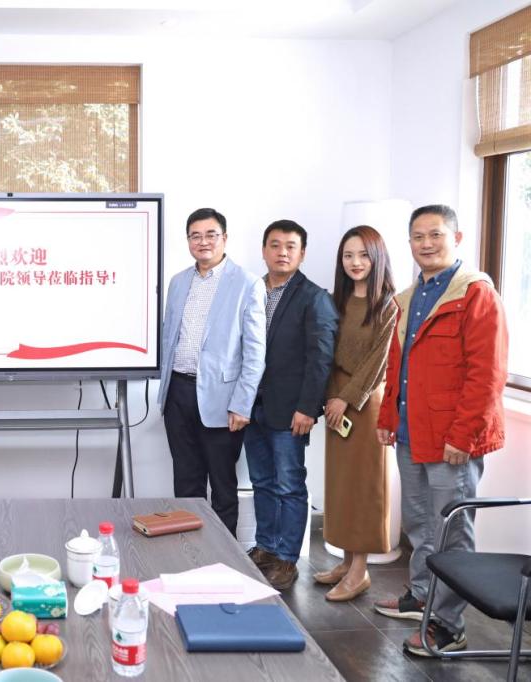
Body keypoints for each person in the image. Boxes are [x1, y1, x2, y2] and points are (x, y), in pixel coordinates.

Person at [373, 205, 507, 656]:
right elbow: (398, 367)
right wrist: (388, 419)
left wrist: (463, 437)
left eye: (435, 234)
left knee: (452, 531)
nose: (426, 244)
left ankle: (449, 625)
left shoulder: (476, 294)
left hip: (453, 440)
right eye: (418, 236)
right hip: (412, 432)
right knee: (418, 523)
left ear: (457, 238)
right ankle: (421, 596)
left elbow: (487, 375)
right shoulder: (411, 295)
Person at [158, 208, 266, 535]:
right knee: (185, 481)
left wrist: (242, 404)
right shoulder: (178, 282)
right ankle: (189, 550)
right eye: (196, 236)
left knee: (222, 484)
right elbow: (168, 335)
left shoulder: (247, 283)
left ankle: (222, 555)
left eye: (210, 235)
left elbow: (255, 352)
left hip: (222, 399)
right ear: (188, 240)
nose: (203, 242)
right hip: (178, 393)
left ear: (224, 238)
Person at [244, 219, 338, 591]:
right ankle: (266, 546)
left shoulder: (314, 297)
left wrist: (308, 408)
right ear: (264, 250)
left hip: (291, 411)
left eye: (290, 246)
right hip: (252, 406)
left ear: (302, 253)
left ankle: (287, 557)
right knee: (261, 482)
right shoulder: (252, 291)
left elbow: (321, 358)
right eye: (275, 245)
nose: (282, 252)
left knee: (289, 485)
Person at [317, 225, 397, 602]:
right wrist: (330, 396)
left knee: (364, 487)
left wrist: (346, 399)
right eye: (348, 255)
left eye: (363, 254)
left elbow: (379, 363)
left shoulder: (389, 305)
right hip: (336, 399)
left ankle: (360, 571)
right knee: (342, 485)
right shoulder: (336, 301)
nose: (355, 262)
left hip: (364, 406)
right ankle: (347, 562)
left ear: (377, 257)